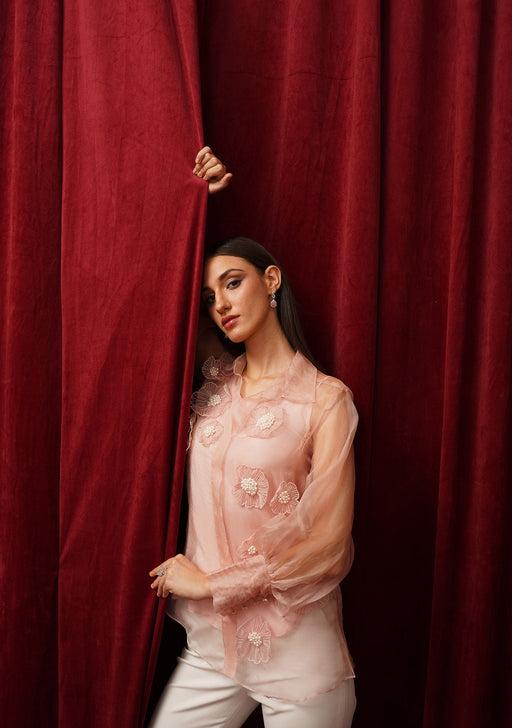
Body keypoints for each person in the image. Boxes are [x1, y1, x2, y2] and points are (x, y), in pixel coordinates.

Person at [148, 150, 358, 728]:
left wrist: (210, 583)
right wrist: (191, 202)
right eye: (210, 296)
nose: (220, 304)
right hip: (214, 649)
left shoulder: (326, 400)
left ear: (271, 281)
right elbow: (150, 292)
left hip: (301, 656)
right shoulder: (216, 381)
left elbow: (331, 546)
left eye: (233, 283)